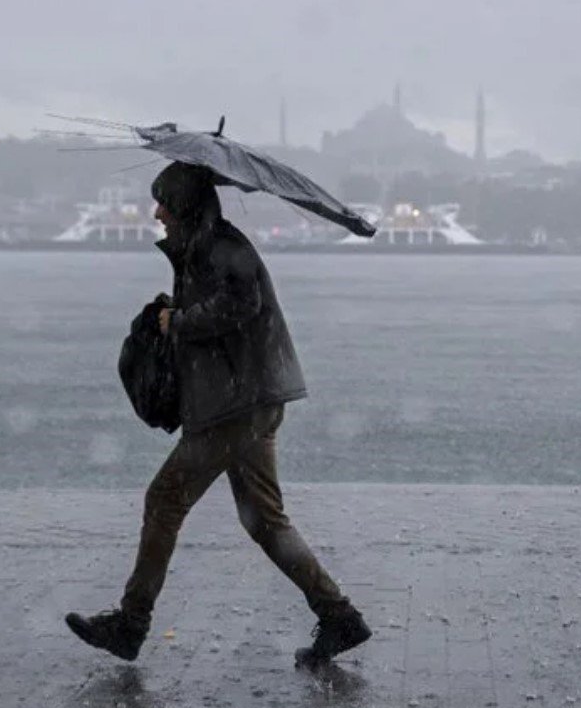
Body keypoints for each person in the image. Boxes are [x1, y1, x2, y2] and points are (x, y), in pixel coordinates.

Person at [66, 162, 370, 668]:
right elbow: (228, 305)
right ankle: (339, 617)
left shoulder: (218, 248)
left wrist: (177, 319)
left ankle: (130, 624)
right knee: (266, 522)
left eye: (163, 201)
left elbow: (240, 304)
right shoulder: (208, 245)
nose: (157, 212)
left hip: (235, 405)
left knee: (164, 500)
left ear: (183, 204)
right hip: (252, 400)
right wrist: (176, 308)